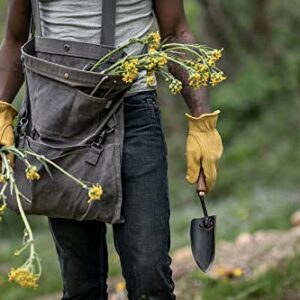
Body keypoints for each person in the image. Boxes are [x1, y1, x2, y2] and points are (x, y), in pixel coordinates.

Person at [0, 0, 223, 299]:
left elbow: (175, 31)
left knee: (150, 276)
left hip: (133, 112)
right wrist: (2, 109)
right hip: (58, 119)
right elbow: (15, 38)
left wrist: (202, 122)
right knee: (81, 284)